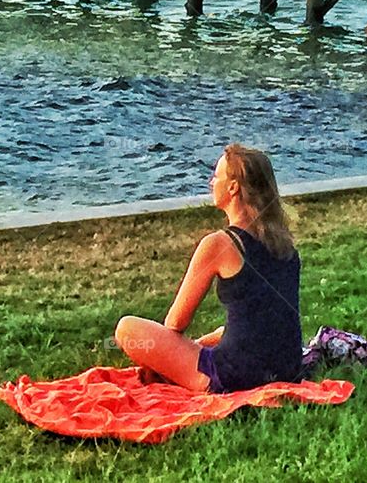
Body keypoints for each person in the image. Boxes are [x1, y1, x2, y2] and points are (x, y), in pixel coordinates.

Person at [114, 144, 302, 393]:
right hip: (288, 369)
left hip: (235, 377)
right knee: (220, 333)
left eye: (216, 176)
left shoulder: (219, 244)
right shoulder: (285, 245)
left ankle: (174, 374)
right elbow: (269, 319)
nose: (212, 182)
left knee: (127, 328)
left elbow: (175, 323)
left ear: (233, 187)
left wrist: (173, 354)